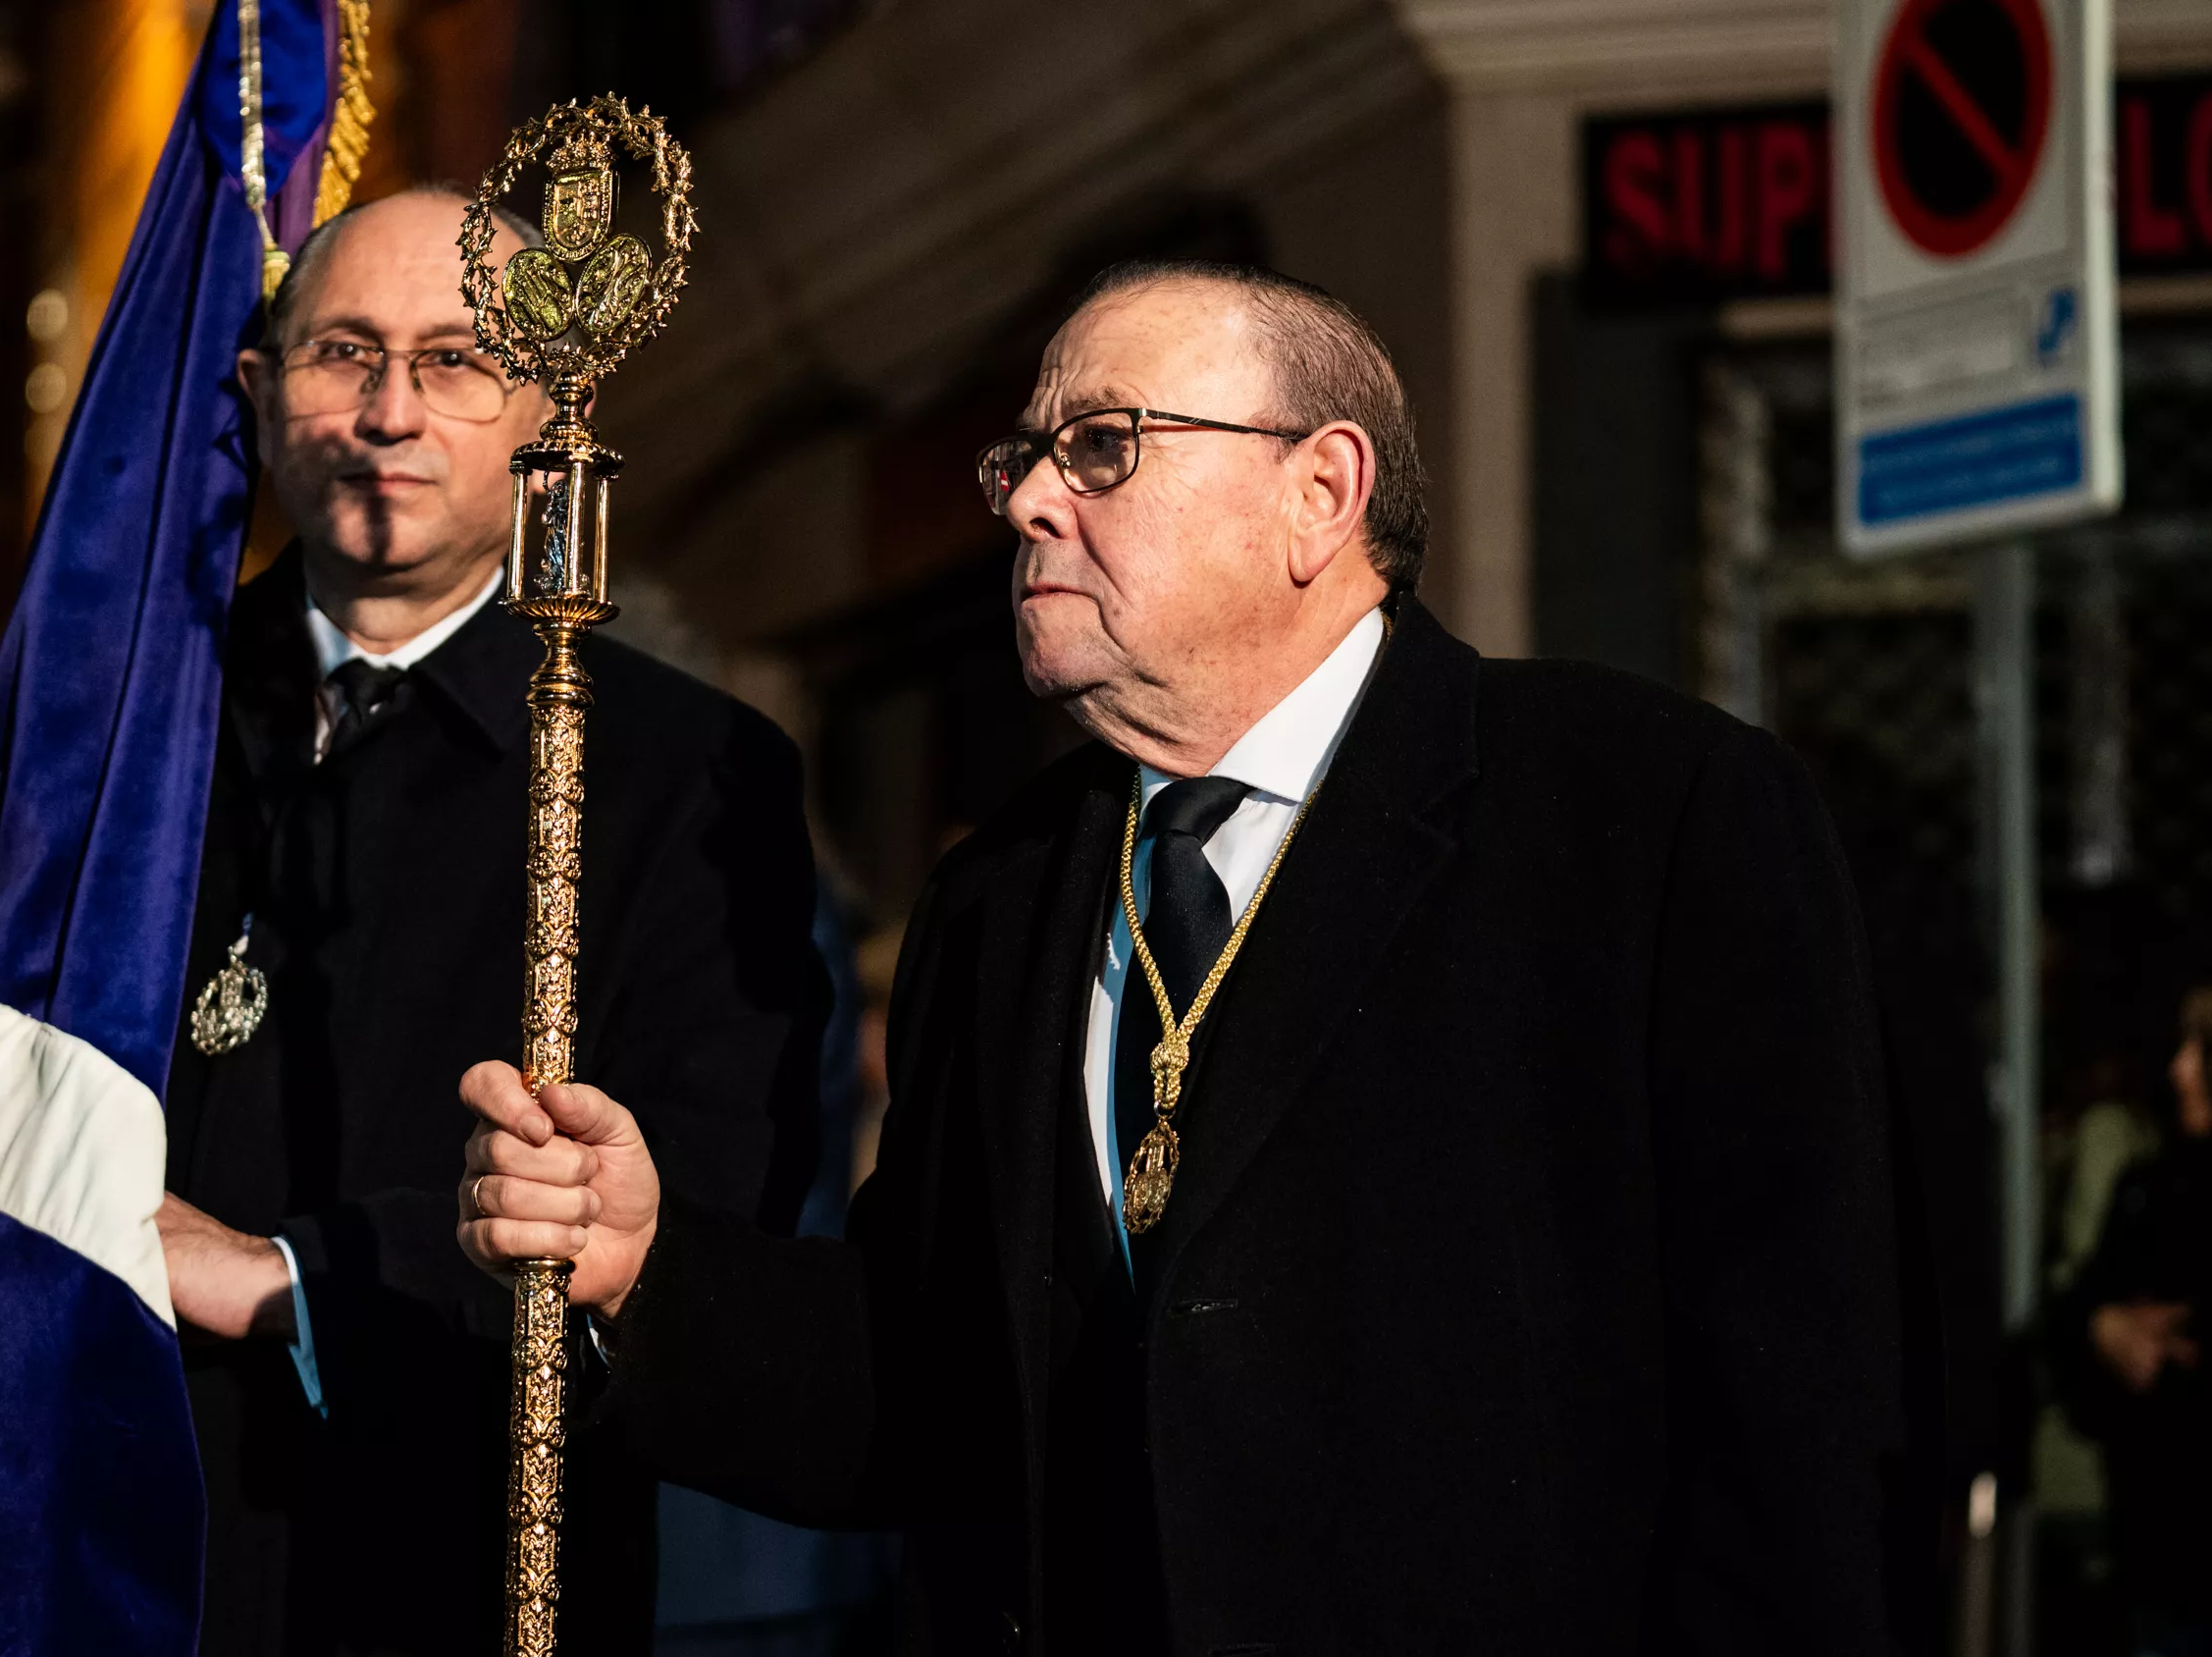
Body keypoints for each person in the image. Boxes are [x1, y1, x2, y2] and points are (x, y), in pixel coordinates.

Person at [457, 261, 1920, 1653]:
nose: (1030, 498)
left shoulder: (1642, 816)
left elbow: (1793, 1423)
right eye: (1022, 459)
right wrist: (647, 1269)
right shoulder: (1005, 895)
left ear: (1319, 493)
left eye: (1101, 448)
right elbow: (933, 1383)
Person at [149, 185, 826, 1656]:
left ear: (544, 412)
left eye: (457, 361)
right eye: (344, 353)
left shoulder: (681, 775)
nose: (391, 411)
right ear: (264, 397)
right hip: (111, 1530)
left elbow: (710, 1205)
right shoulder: (123, 728)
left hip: (449, 1558)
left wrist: (297, 1275)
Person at [2056, 986, 2212, 1657]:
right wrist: (2101, 1329)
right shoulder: (2152, 1189)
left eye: (2201, 1051)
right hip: (2164, 1571)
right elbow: (2071, 1318)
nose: (2180, 1069)